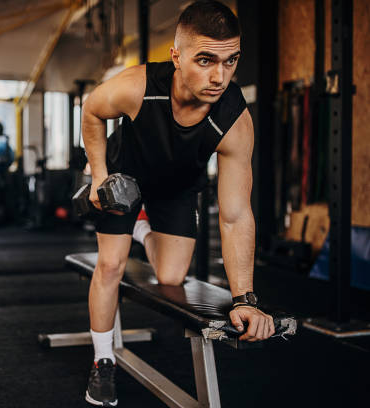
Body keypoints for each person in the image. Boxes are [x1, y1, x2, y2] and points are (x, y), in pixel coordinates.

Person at [80, 1, 275, 406]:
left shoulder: (235, 120)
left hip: (177, 186)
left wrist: (245, 299)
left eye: (230, 61)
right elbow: (92, 109)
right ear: (177, 56)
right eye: (205, 60)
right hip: (125, 177)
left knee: (171, 277)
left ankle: (142, 228)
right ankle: (102, 362)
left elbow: (237, 215)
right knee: (111, 264)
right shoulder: (137, 85)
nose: (219, 76)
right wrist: (98, 175)